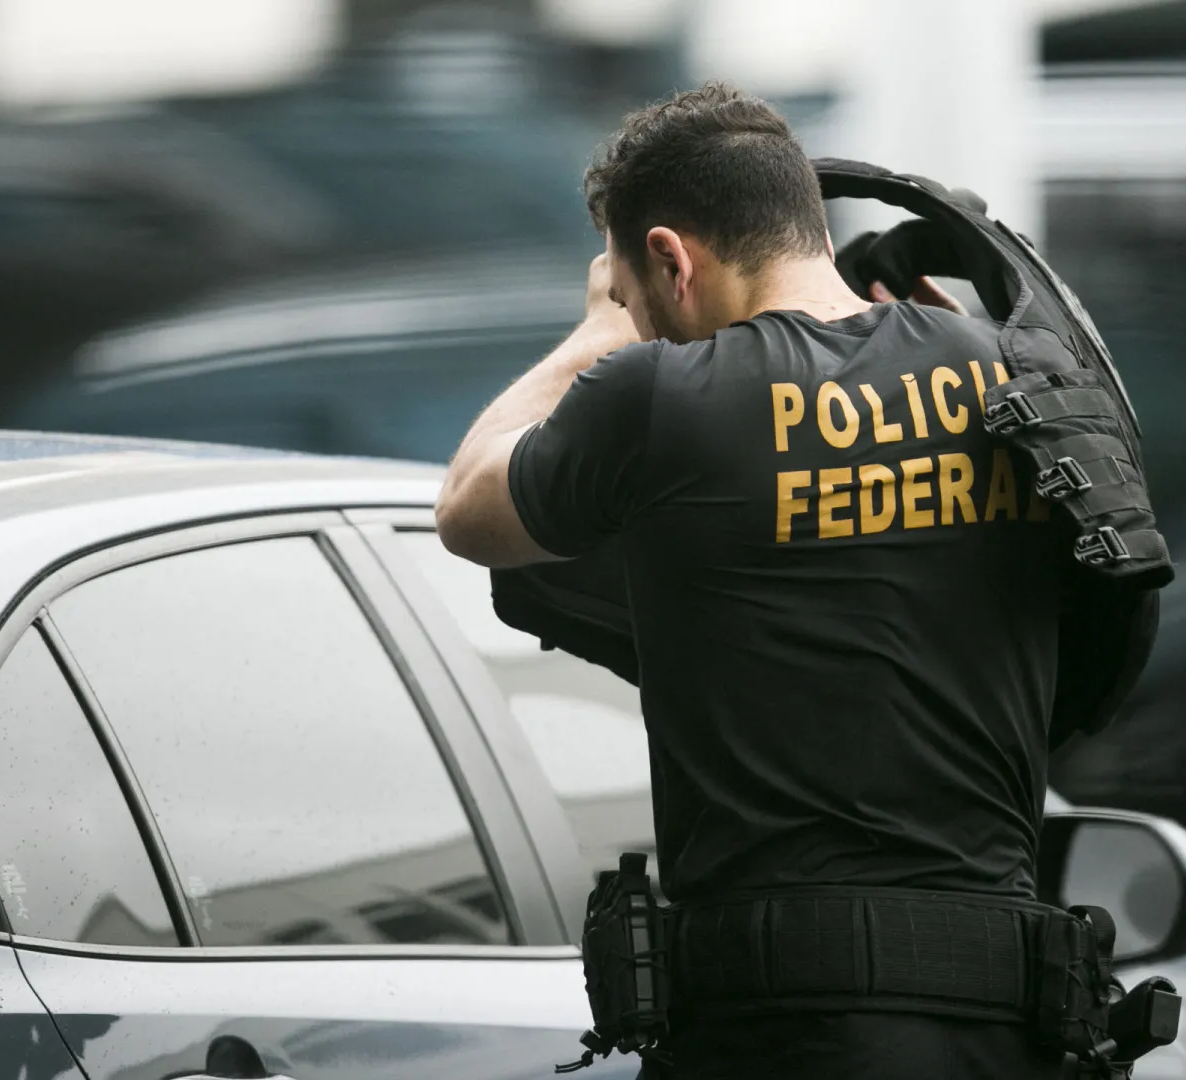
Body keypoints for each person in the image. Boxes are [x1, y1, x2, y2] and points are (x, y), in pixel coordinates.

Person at [436, 83, 1071, 1079]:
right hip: (1003, 1023)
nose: (646, 321)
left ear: (670, 259)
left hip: (779, 1031)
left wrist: (602, 329)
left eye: (638, 294)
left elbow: (467, 507)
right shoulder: (1008, 376)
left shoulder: (660, 397)